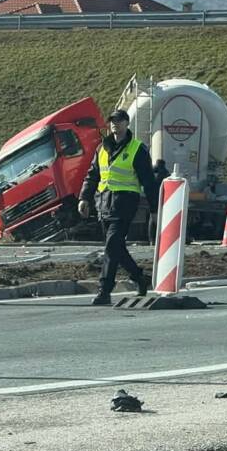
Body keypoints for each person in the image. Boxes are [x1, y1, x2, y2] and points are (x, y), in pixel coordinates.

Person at [78, 109, 158, 305]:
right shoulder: (101, 149)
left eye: (120, 120)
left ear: (127, 123)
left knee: (111, 245)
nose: (115, 124)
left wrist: (155, 209)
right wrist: (84, 198)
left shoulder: (137, 149)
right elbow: (92, 176)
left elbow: (148, 181)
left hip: (125, 204)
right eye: (112, 121)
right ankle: (139, 277)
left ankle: (104, 290)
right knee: (116, 248)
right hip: (103, 203)